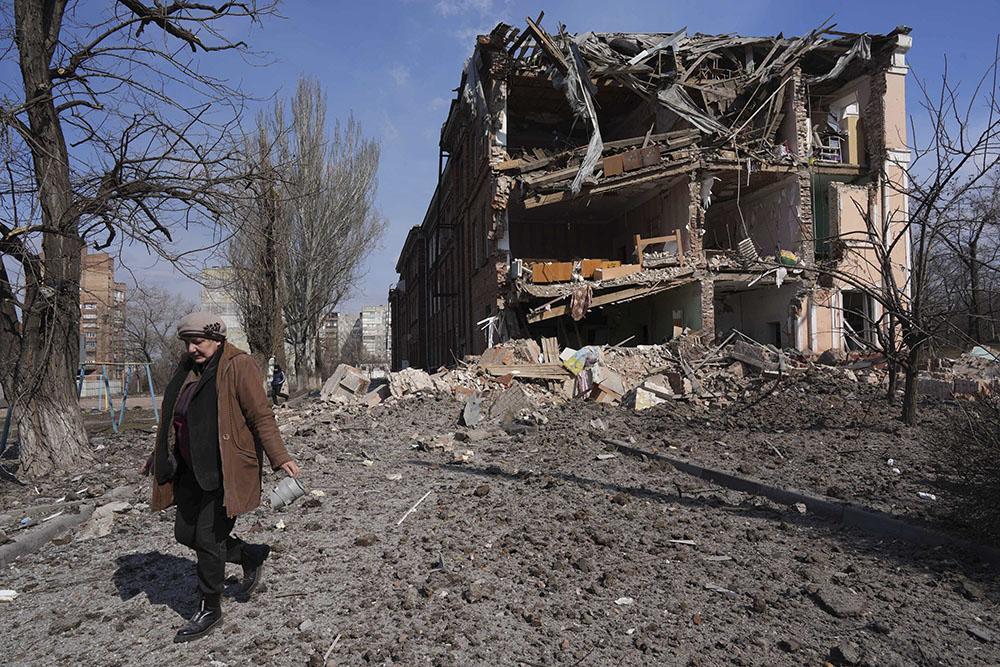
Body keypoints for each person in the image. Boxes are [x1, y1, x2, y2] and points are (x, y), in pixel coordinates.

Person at [142, 312, 301, 642]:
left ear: (217, 339)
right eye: (187, 343)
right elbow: (176, 418)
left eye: (197, 342)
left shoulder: (237, 365)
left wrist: (279, 456)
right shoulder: (188, 369)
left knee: (208, 539)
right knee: (186, 534)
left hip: (224, 469)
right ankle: (250, 555)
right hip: (189, 470)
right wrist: (157, 455)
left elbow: (261, 415)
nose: (191, 349)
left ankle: (209, 608)